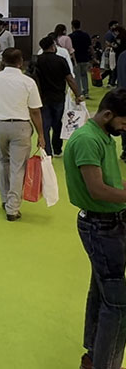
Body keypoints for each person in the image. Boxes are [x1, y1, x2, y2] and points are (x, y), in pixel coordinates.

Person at [63, 89, 126, 369]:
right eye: (123, 122)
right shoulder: (88, 140)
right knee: (118, 306)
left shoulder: (103, 137)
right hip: (101, 227)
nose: (124, 129)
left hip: (109, 224)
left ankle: (93, 354)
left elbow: (111, 182)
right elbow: (98, 190)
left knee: (101, 293)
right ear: (108, 114)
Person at [0, 49, 45, 221]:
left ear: (2, 61)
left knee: (3, 161)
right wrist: (41, 134)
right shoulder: (28, 82)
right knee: (18, 167)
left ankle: (5, 199)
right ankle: (13, 207)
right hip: (21, 127)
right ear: (21, 62)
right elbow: (35, 111)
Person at [36, 35, 84, 157]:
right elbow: (70, 79)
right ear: (53, 46)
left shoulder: (36, 61)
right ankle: (57, 149)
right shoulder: (60, 60)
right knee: (58, 124)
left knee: (45, 125)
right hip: (58, 97)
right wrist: (78, 94)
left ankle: (47, 151)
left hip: (42, 98)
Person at [71, 20, 93, 98]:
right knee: (84, 75)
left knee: (77, 76)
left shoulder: (71, 36)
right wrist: (92, 57)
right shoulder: (86, 35)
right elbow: (90, 47)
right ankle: (86, 92)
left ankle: (79, 93)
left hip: (76, 59)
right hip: (85, 58)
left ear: (72, 26)